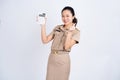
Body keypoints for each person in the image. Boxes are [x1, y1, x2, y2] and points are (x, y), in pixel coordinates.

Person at [37, 6, 80, 80]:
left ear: (73, 17)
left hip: (63, 60)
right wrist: (43, 25)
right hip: (52, 59)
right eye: (63, 16)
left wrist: (69, 32)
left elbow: (66, 47)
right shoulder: (57, 27)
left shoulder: (76, 32)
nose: (65, 18)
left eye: (67, 16)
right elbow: (45, 40)